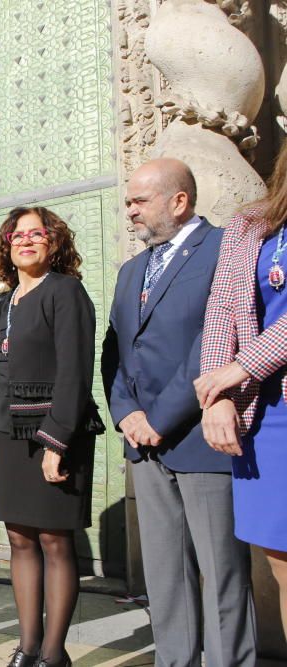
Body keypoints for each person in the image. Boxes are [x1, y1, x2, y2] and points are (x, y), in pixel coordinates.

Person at [103, 158, 257, 667]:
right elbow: (117, 351)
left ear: (179, 201)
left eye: (138, 201)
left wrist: (160, 418)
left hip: (201, 437)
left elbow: (213, 344)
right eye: (127, 202)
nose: (129, 212)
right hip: (143, 446)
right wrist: (126, 414)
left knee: (221, 571)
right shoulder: (131, 271)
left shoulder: (222, 251)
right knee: (165, 574)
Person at [0, 207, 100, 667]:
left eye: (37, 233)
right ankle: (27, 648)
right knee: (20, 540)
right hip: (8, 435)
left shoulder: (66, 292)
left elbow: (75, 372)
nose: (25, 240)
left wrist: (57, 440)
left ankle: (53, 654)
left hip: (54, 431)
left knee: (54, 540)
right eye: (17, 234)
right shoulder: (2, 302)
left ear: (54, 242)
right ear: (7, 245)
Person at [195, 142, 287, 643]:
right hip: (266, 415)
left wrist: (240, 366)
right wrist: (219, 396)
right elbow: (222, 312)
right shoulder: (251, 223)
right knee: (280, 559)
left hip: (255, 374)